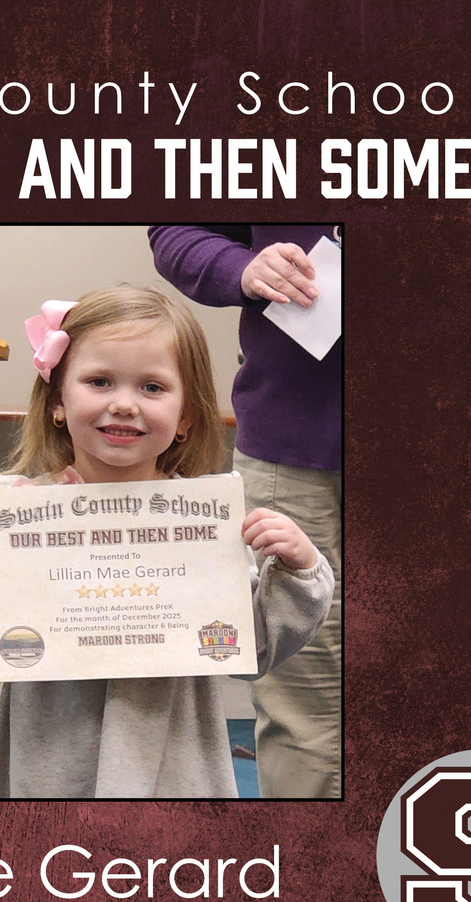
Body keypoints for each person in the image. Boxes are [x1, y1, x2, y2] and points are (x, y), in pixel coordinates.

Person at [0, 285, 334, 799]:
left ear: (186, 417)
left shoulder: (209, 527)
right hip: (46, 774)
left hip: (174, 775)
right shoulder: (17, 516)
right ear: (59, 401)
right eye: (100, 381)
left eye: (153, 387)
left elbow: (251, 651)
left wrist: (299, 572)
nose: (124, 404)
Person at [148, 226, 342, 799]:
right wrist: (241, 267)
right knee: (305, 706)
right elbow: (177, 228)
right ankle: (311, 875)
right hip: (295, 444)